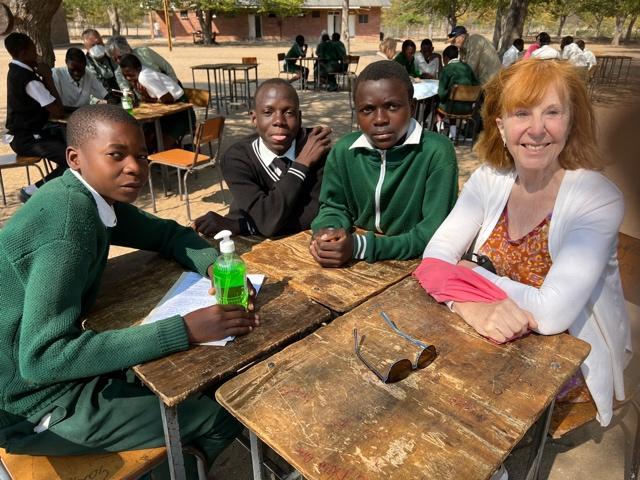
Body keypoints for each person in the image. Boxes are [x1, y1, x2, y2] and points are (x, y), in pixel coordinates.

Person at [0, 104, 258, 477]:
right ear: (76, 158)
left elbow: (169, 233)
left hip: (57, 376)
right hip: (32, 404)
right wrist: (184, 329)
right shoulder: (69, 223)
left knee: (176, 378)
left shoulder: (91, 199)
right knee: (219, 414)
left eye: (141, 156)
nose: (135, 167)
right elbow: (43, 359)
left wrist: (215, 267)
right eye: (116, 155)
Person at [422, 59, 631, 428]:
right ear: (501, 127)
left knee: (450, 408)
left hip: (563, 360)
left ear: (571, 122)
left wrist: (470, 273)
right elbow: (433, 260)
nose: (537, 130)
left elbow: (551, 316)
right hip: (488, 332)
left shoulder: (598, 198)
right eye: (522, 113)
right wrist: (467, 306)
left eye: (552, 112)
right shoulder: (490, 178)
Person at [310, 61, 458, 266]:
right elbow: (333, 207)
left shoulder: (436, 152)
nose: (380, 119)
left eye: (392, 106)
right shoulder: (344, 151)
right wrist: (328, 233)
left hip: (411, 265)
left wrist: (361, 247)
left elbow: (433, 233)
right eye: (367, 109)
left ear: (412, 106)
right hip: (353, 268)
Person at [193, 79, 331, 238]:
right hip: (246, 243)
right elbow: (267, 221)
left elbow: (312, 216)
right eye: (268, 112)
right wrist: (301, 164)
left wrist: (240, 225)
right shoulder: (237, 158)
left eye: (289, 112)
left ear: (299, 118)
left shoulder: (316, 149)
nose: (279, 121)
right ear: (254, 118)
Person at [3, 32, 66, 203]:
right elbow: (57, 111)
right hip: (28, 139)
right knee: (72, 159)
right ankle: (33, 190)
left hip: (25, 136)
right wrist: (48, 77)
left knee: (72, 146)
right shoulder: (29, 80)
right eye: (33, 50)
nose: (37, 54)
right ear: (24, 53)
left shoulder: (16, 71)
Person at [119, 53, 193, 149]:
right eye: (125, 76)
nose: (128, 78)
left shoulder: (144, 77)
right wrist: (145, 96)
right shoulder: (141, 73)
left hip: (181, 112)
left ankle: (161, 159)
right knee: (148, 135)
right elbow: (160, 98)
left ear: (138, 68)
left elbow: (168, 98)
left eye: (130, 74)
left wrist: (146, 97)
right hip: (170, 110)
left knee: (158, 144)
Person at [106, 35, 180, 92]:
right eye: (114, 59)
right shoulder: (119, 72)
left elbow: (168, 69)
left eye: (120, 57)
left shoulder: (145, 52)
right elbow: (127, 93)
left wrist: (173, 89)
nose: (119, 61)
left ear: (127, 49)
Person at [435, 45, 479, 139]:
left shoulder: (446, 69)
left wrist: (447, 93)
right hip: (468, 108)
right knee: (452, 102)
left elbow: (441, 94)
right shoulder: (467, 67)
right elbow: (476, 84)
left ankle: (439, 131)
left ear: (446, 57)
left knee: (438, 104)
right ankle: (453, 135)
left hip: (452, 107)